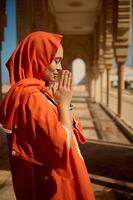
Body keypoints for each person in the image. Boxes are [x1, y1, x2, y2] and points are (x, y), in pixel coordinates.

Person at [0, 31, 95, 200]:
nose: (59, 67)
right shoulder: (31, 96)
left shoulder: (38, 92)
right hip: (55, 187)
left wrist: (62, 103)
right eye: (56, 61)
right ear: (38, 58)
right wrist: (64, 104)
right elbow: (61, 147)